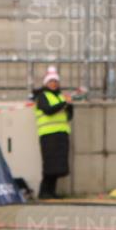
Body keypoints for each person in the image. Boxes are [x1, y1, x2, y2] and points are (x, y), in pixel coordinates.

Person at [32, 66, 73, 199]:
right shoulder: (42, 96)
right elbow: (48, 110)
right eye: (51, 81)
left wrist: (69, 105)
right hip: (48, 135)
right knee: (49, 164)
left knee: (58, 165)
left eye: (55, 81)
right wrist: (63, 103)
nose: (54, 84)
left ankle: (52, 192)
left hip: (61, 134)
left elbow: (69, 115)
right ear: (46, 83)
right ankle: (44, 192)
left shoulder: (61, 96)